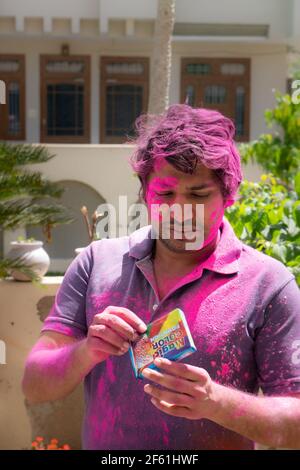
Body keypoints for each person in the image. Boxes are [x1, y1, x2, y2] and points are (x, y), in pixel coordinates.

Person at [22, 104, 300, 450]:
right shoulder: (97, 263)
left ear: (228, 196)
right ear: (145, 194)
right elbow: (35, 384)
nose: (180, 210)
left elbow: (294, 425)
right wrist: (87, 351)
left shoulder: (269, 284)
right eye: (165, 194)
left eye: (198, 195)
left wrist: (216, 402)